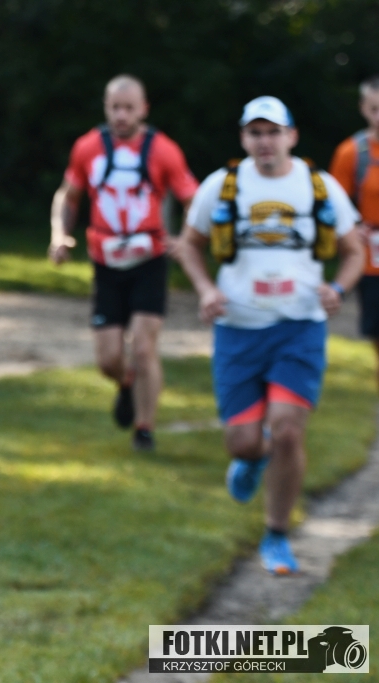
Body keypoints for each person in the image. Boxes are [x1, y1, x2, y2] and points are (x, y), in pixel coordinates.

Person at [172, 96, 363, 575]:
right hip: (238, 329)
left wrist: (338, 288)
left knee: (288, 429)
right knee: (242, 442)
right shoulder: (222, 186)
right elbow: (189, 245)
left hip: (300, 326)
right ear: (243, 138)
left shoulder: (319, 186)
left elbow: (354, 250)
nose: (265, 142)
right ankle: (251, 456)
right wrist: (206, 289)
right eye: (255, 132)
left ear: (291, 136)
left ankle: (276, 535)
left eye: (273, 132)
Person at [49, 74, 199, 451]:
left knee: (145, 347)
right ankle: (126, 381)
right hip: (105, 262)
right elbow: (68, 196)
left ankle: (144, 429)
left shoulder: (164, 150)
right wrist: (59, 235)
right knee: (108, 359)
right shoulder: (87, 148)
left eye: (129, 108)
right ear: (106, 108)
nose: (121, 115)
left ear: (143, 109)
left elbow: (193, 199)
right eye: (115, 107)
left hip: (149, 260)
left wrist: (187, 239)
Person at [329, 75, 379, 391]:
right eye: (375, 109)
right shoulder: (351, 153)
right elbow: (333, 205)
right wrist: (353, 228)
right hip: (371, 259)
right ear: (363, 108)